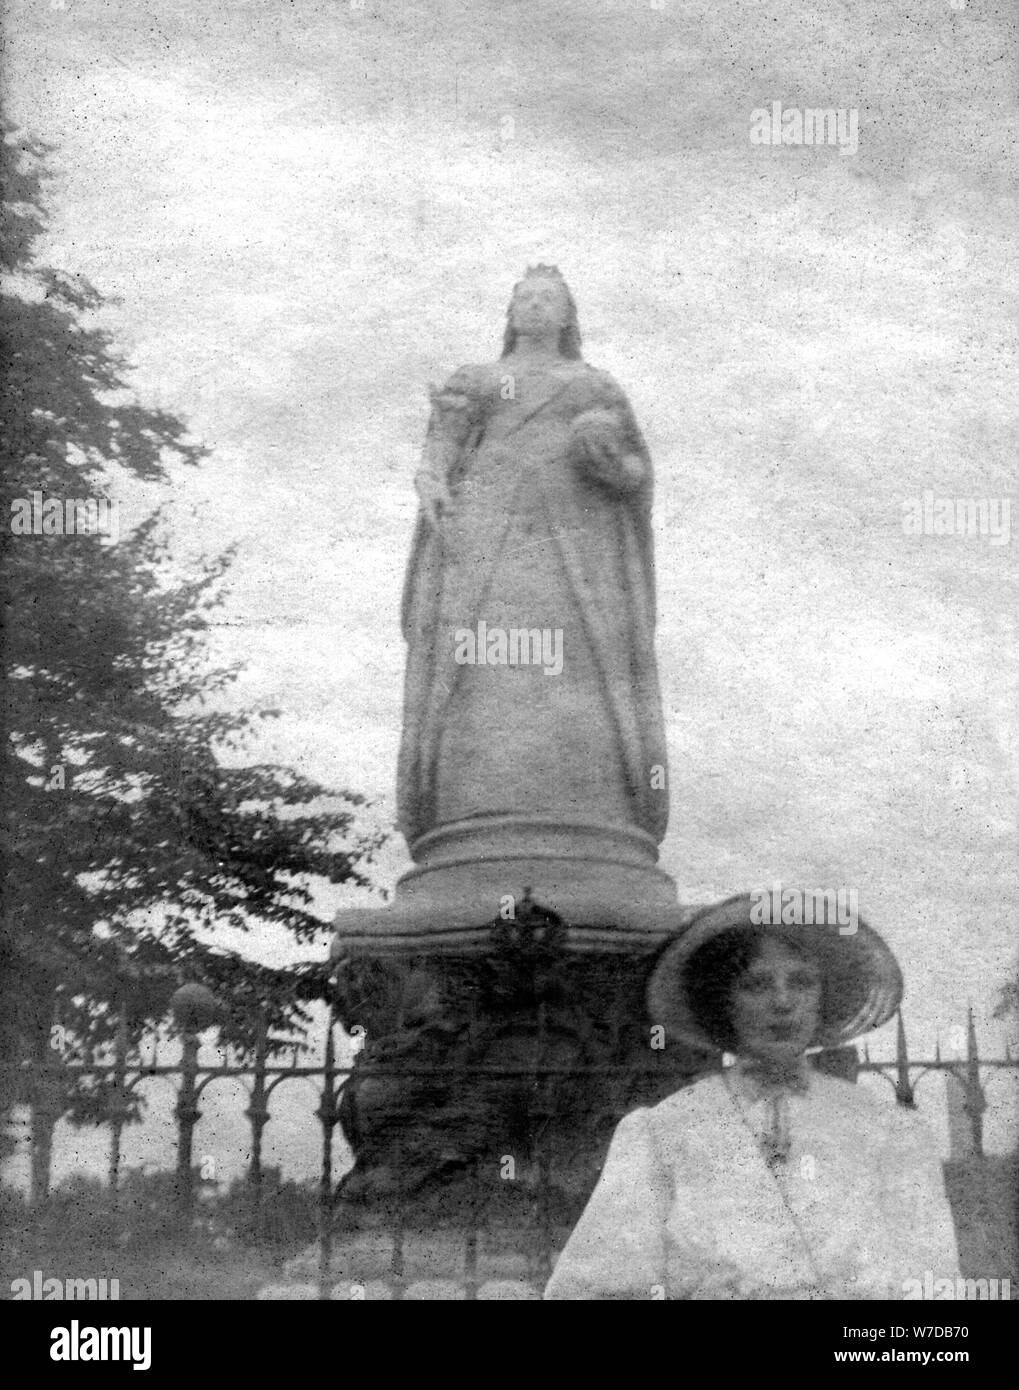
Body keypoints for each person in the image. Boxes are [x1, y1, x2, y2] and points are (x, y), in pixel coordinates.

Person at [544, 895, 962, 1299]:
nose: (782, 1002)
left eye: (801, 982)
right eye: (756, 984)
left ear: (824, 996)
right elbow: (598, 1285)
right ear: (722, 1001)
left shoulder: (888, 1132)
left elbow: (931, 1292)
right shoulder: (662, 1133)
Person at [396, 265, 668, 849]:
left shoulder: (595, 388)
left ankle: (589, 803)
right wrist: (432, 479)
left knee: (579, 660)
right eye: (525, 298)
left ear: (568, 316)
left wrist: (603, 453)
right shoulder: (479, 378)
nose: (535, 307)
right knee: (483, 655)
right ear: (511, 313)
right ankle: (473, 803)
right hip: (489, 530)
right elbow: (440, 448)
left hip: (577, 540)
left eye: (549, 299)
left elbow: (635, 472)